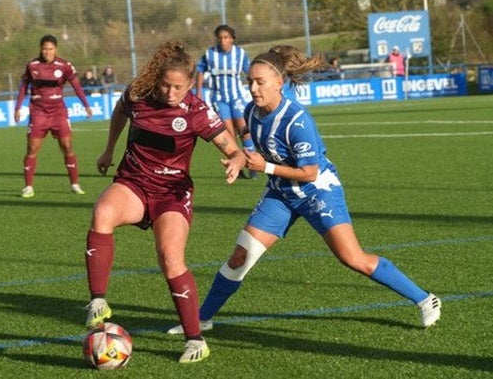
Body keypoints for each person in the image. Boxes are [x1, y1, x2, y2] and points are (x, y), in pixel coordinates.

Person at [167, 45, 442, 337]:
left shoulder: (298, 121)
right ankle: (203, 318)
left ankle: (425, 298)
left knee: (352, 258)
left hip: (317, 192)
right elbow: (249, 135)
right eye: (250, 81)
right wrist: (240, 156)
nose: (253, 88)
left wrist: (265, 168)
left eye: (260, 82)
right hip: (282, 194)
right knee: (240, 256)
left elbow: (309, 172)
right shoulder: (252, 110)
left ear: (279, 84)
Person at [83, 40, 246, 364]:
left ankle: (195, 340)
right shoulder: (138, 94)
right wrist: (109, 149)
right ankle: (98, 301)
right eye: (166, 85)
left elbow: (233, 148)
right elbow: (119, 110)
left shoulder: (197, 110)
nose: (171, 93)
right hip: (133, 183)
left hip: (172, 192)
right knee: (102, 212)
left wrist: (236, 162)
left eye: (178, 87)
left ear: (189, 82)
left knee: (170, 258)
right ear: (156, 79)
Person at [14, 34, 93, 198]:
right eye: (44, 49)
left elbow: (77, 86)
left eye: (50, 49)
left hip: (58, 111)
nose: (47, 52)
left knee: (67, 146)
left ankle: (75, 184)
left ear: (55, 49)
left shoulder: (64, 65)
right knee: (32, 148)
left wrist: (86, 105)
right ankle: (28, 187)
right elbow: (23, 87)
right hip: (38, 111)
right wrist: (18, 107)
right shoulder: (32, 65)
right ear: (40, 49)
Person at [196, 24, 255, 179]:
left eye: (226, 37)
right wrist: (199, 92)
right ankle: (238, 167)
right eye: (220, 38)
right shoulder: (210, 54)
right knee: (229, 133)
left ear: (232, 39)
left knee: (245, 131)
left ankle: (252, 162)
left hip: (237, 97)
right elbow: (200, 71)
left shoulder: (240, 54)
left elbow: (249, 72)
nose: (223, 41)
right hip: (219, 99)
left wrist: (254, 88)